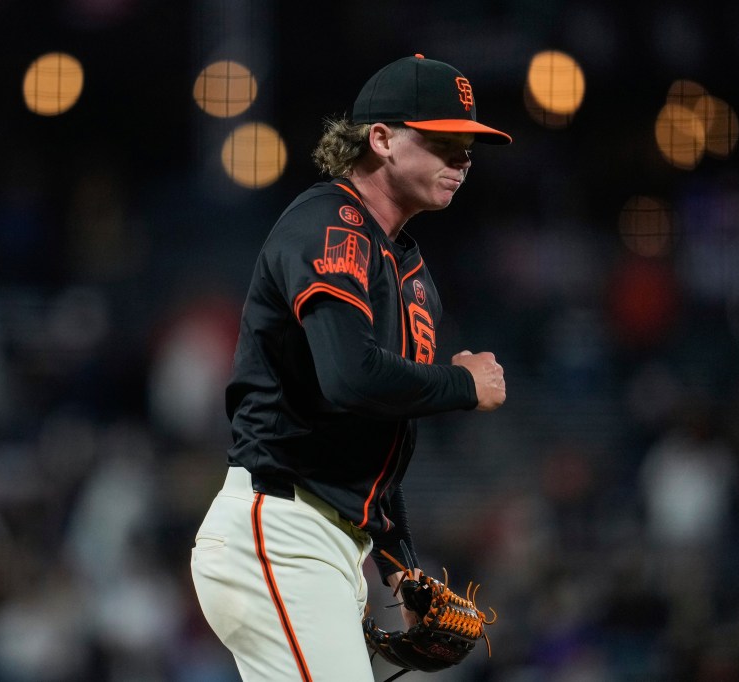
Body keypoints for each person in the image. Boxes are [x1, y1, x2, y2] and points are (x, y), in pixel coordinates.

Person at [190, 53, 511, 681]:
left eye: (470, 145)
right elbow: (351, 377)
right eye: (445, 141)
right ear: (383, 139)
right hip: (280, 530)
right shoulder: (330, 224)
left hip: (329, 543)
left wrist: (399, 563)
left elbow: (376, 430)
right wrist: (464, 385)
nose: (463, 159)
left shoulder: (411, 275)